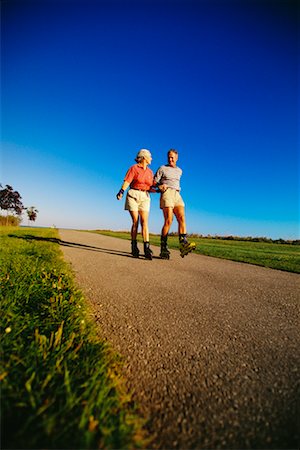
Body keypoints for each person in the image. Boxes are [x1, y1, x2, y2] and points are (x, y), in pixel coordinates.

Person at [154, 149, 195, 259]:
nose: (170, 159)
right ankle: (163, 248)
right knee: (169, 220)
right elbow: (153, 182)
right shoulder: (162, 168)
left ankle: (183, 245)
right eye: (169, 157)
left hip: (177, 194)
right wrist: (159, 186)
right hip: (167, 193)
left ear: (177, 158)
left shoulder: (180, 171)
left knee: (182, 218)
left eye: (172, 157)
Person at [116, 149, 154, 259]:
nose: (151, 158)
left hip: (145, 196)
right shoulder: (134, 168)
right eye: (150, 156)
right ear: (144, 158)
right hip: (133, 195)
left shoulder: (150, 172)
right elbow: (128, 181)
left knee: (144, 222)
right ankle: (134, 246)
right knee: (136, 221)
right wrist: (121, 191)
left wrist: (160, 189)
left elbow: (150, 187)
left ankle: (146, 248)